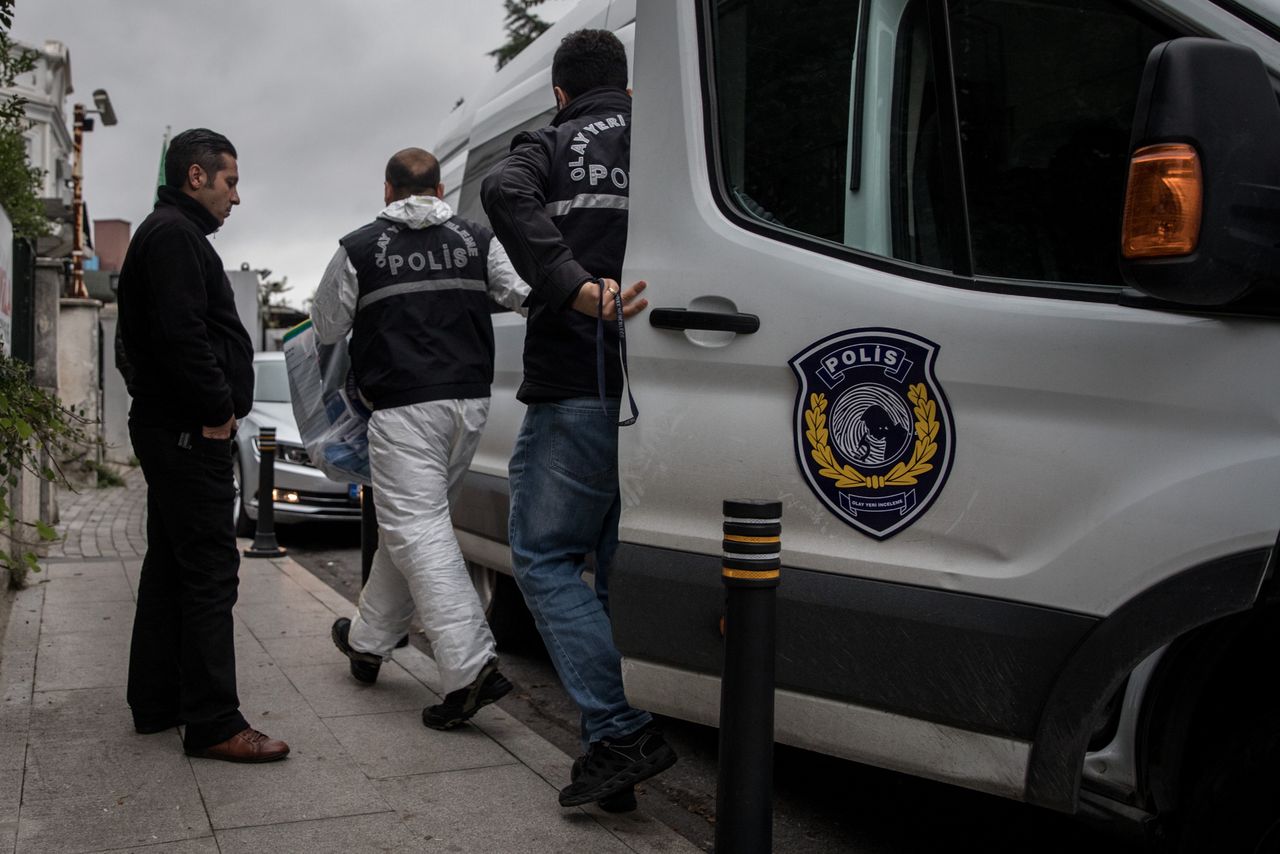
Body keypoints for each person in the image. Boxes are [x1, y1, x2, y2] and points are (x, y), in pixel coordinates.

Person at [481, 28, 676, 810]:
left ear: (560, 91)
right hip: (664, 389)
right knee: (606, 569)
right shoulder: (664, 140)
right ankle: (607, 755)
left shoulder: (553, 139)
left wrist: (571, 285)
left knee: (544, 557)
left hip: (577, 380)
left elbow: (501, 191)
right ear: (624, 85)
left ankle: (621, 728)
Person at [313, 147, 529, 730]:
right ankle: (367, 640)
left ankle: (470, 667)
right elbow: (520, 294)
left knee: (417, 528)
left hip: (405, 408)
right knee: (413, 524)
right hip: (471, 405)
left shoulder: (359, 247)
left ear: (388, 190)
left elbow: (328, 324)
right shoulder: (477, 239)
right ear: (440, 189)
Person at [117, 128, 289, 763]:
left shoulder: (169, 234)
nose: (236, 197)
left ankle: (157, 702)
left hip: (174, 430)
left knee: (170, 566)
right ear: (197, 176)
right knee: (211, 574)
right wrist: (218, 410)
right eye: (231, 182)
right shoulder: (173, 236)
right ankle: (216, 722)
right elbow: (182, 335)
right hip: (190, 434)